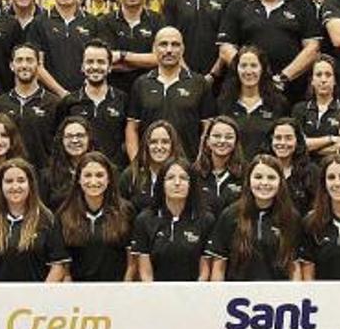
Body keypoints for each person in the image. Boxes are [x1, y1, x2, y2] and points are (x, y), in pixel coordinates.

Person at [217, 0, 322, 100]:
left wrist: (283, 78)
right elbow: (226, 48)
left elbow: (312, 47)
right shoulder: (237, 5)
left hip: (291, 93)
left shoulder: (301, 5)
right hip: (246, 94)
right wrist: (251, 74)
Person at [0, 158, 70, 283]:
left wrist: (41, 296)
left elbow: (58, 267)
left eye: (21, 181)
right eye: (9, 181)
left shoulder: (47, 219)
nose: (15, 186)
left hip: (35, 299)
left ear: (30, 184)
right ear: (0, 186)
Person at [204, 154, 303, 281]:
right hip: (236, 297)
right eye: (258, 177)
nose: (264, 183)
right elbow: (219, 266)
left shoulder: (291, 217)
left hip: (279, 298)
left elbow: (293, 266)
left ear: (280, 182)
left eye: (271, 178)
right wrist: (217, 297)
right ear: (248, 181)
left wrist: (295, 296)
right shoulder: (230, 215)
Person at [125, 27, 215, 161]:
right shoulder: (141, 84)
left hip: (187, 168)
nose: (169, 50)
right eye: (163, 44)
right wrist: (136, 164)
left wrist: (200, 161)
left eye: (175, 44)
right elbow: (132, 128)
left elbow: (207, 129)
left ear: (183, 49)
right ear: (154, 49)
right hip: (150, 168)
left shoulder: (199, 83)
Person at [130, 158, 215, 282]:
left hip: (194, 294)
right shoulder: (145, 220)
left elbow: (204, 271)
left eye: (183, 178)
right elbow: (145, 273)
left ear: (191, 184)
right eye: (170, 178)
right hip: (156, 294)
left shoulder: (206, 219)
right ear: (161, 183)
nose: (177, 183)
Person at [58, 152, 134, 282]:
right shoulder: (65, 214)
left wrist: (125, 290)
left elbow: (131, 263)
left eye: (99, 175)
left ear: (109, 179)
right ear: (78, 179)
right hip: (78, 293)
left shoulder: (125, 211)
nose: (93, 181)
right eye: (87, 175)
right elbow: (65, 270)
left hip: (115, 291)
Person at [60, 39, 129, 167]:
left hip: (115, 174)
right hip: (79, 175)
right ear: (82, 67)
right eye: (90, 62)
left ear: (109, 67)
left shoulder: (124, 100)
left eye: (101, 62)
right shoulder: (69, 102)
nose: (95, 67)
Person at [0, 43, 61, 167]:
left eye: (29, 60)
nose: (24, 65)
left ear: (38, 65)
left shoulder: (54, 103)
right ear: (11, 66)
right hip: (9, 176)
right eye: (19, 60)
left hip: (44, 177)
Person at [100, 0, 164, 91]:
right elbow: (108, 62)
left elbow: (159, 59)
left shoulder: (158, 20)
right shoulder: (105, 21)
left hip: (151, 90)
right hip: (115, 91)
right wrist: (143, 62)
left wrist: (122, 55)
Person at [218, 46, 287, 156]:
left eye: (254, 65)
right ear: (236, 69)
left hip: (265, 169)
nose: (248, 71)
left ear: (262, 69)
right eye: (243, 66)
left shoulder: (278, 103)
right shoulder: (224, 103)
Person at [293, 55, 340, 156]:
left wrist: (312, 150)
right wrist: (331, 139)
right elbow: (297, 144)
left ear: (335, 80)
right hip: (304, 167)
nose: (323, 80)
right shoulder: (299, 109)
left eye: (328, 75)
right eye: (318, 75)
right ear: (312, 81)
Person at [194, 116, 244, 216]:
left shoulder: (246, 174)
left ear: (236, 142)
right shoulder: (193, 173)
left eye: (229, 137)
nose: (222, 141)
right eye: (217, 136)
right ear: (207, 141)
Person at [267, 118, 319, 215]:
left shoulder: (311, 171)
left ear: (297, 141)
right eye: (278, 138)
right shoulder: (262, 169)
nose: (282, 143)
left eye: (288, 138)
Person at [44, 115, 95, 209]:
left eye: (80, 136)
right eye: (69, 136)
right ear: (61, 140)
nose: (75, 140)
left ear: (89, 139)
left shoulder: (104, 171)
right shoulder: (48, 175)